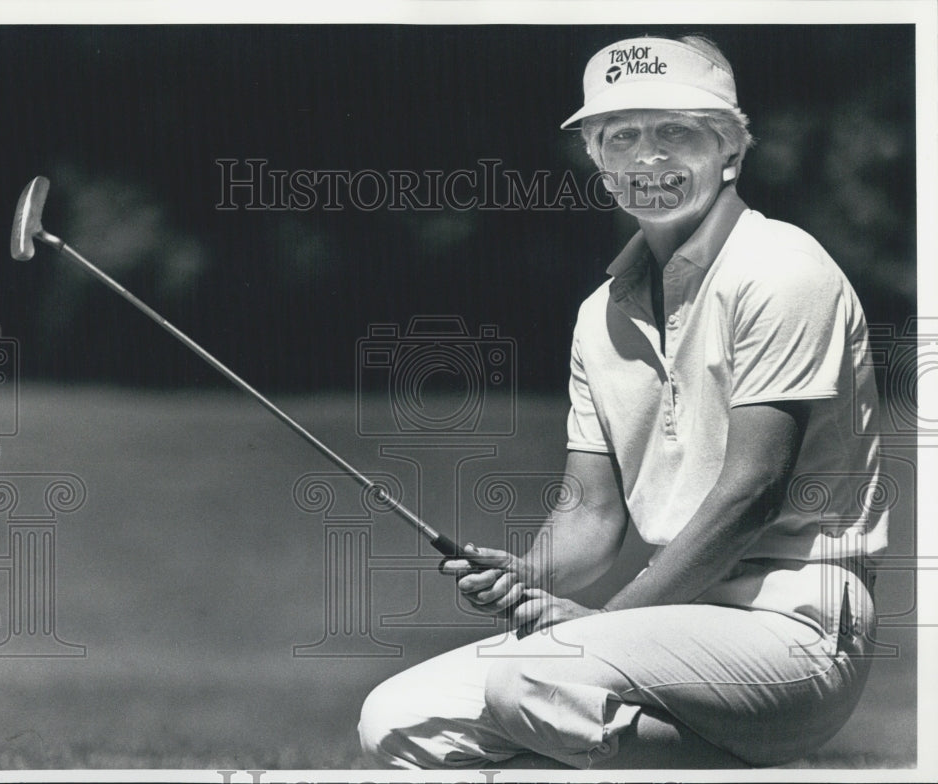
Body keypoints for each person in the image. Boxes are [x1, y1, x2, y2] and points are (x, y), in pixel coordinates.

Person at [358, 34, 887, 770]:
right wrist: (527, 574)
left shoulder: (782, 269)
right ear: (598, 162)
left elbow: (754, 495)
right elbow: (590, 514)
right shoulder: (599, 312)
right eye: (621, 137)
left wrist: (605, 622)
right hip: (675, 627)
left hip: (795, 625)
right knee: (396, 720)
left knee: (536, 681)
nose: (648, 157)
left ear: (731, 149)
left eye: (676, 132)